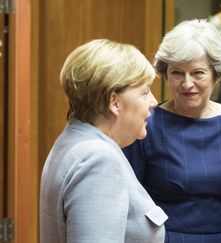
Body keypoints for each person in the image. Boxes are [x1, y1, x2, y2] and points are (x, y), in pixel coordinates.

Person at [123, 19, 221, 242]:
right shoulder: (147, 122)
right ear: (165, 74)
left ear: (217, 74)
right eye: (177, 73)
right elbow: (130, 203)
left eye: (198, 73)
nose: (187, 84)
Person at [40, 39, 168, 242]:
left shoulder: (73, 140)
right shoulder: (98, 160)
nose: (153, 102)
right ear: (114, 102)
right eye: (145, 92)